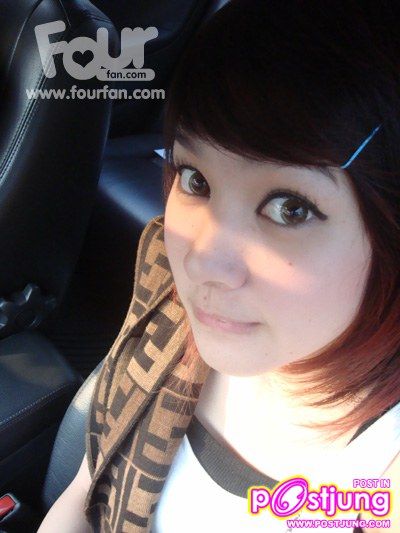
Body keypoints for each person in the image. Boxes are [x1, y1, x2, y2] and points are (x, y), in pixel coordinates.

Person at [38, 1, 400, 532]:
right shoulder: (166, 291)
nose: (201, 259)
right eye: (196, 180)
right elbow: (87, 493)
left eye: (290, 208)